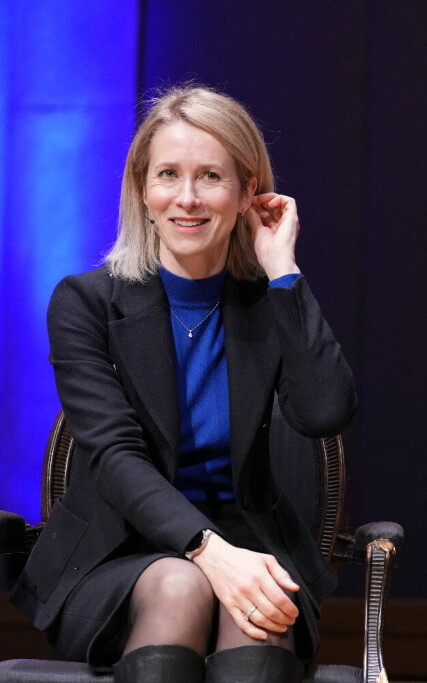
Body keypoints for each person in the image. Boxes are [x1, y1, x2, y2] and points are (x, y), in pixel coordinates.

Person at [9, 84, 357, 682]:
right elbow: (115, 457)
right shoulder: (85, 304)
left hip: (250, 548)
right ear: (142, 189)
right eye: (168, 174)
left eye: (211, 177)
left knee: (257, 609)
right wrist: (209, 554)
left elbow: (325, 412)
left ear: (247, 192)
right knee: (181, 585)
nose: (187, 198)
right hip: (117, 554)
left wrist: (282, 268)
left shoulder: (268, 302)